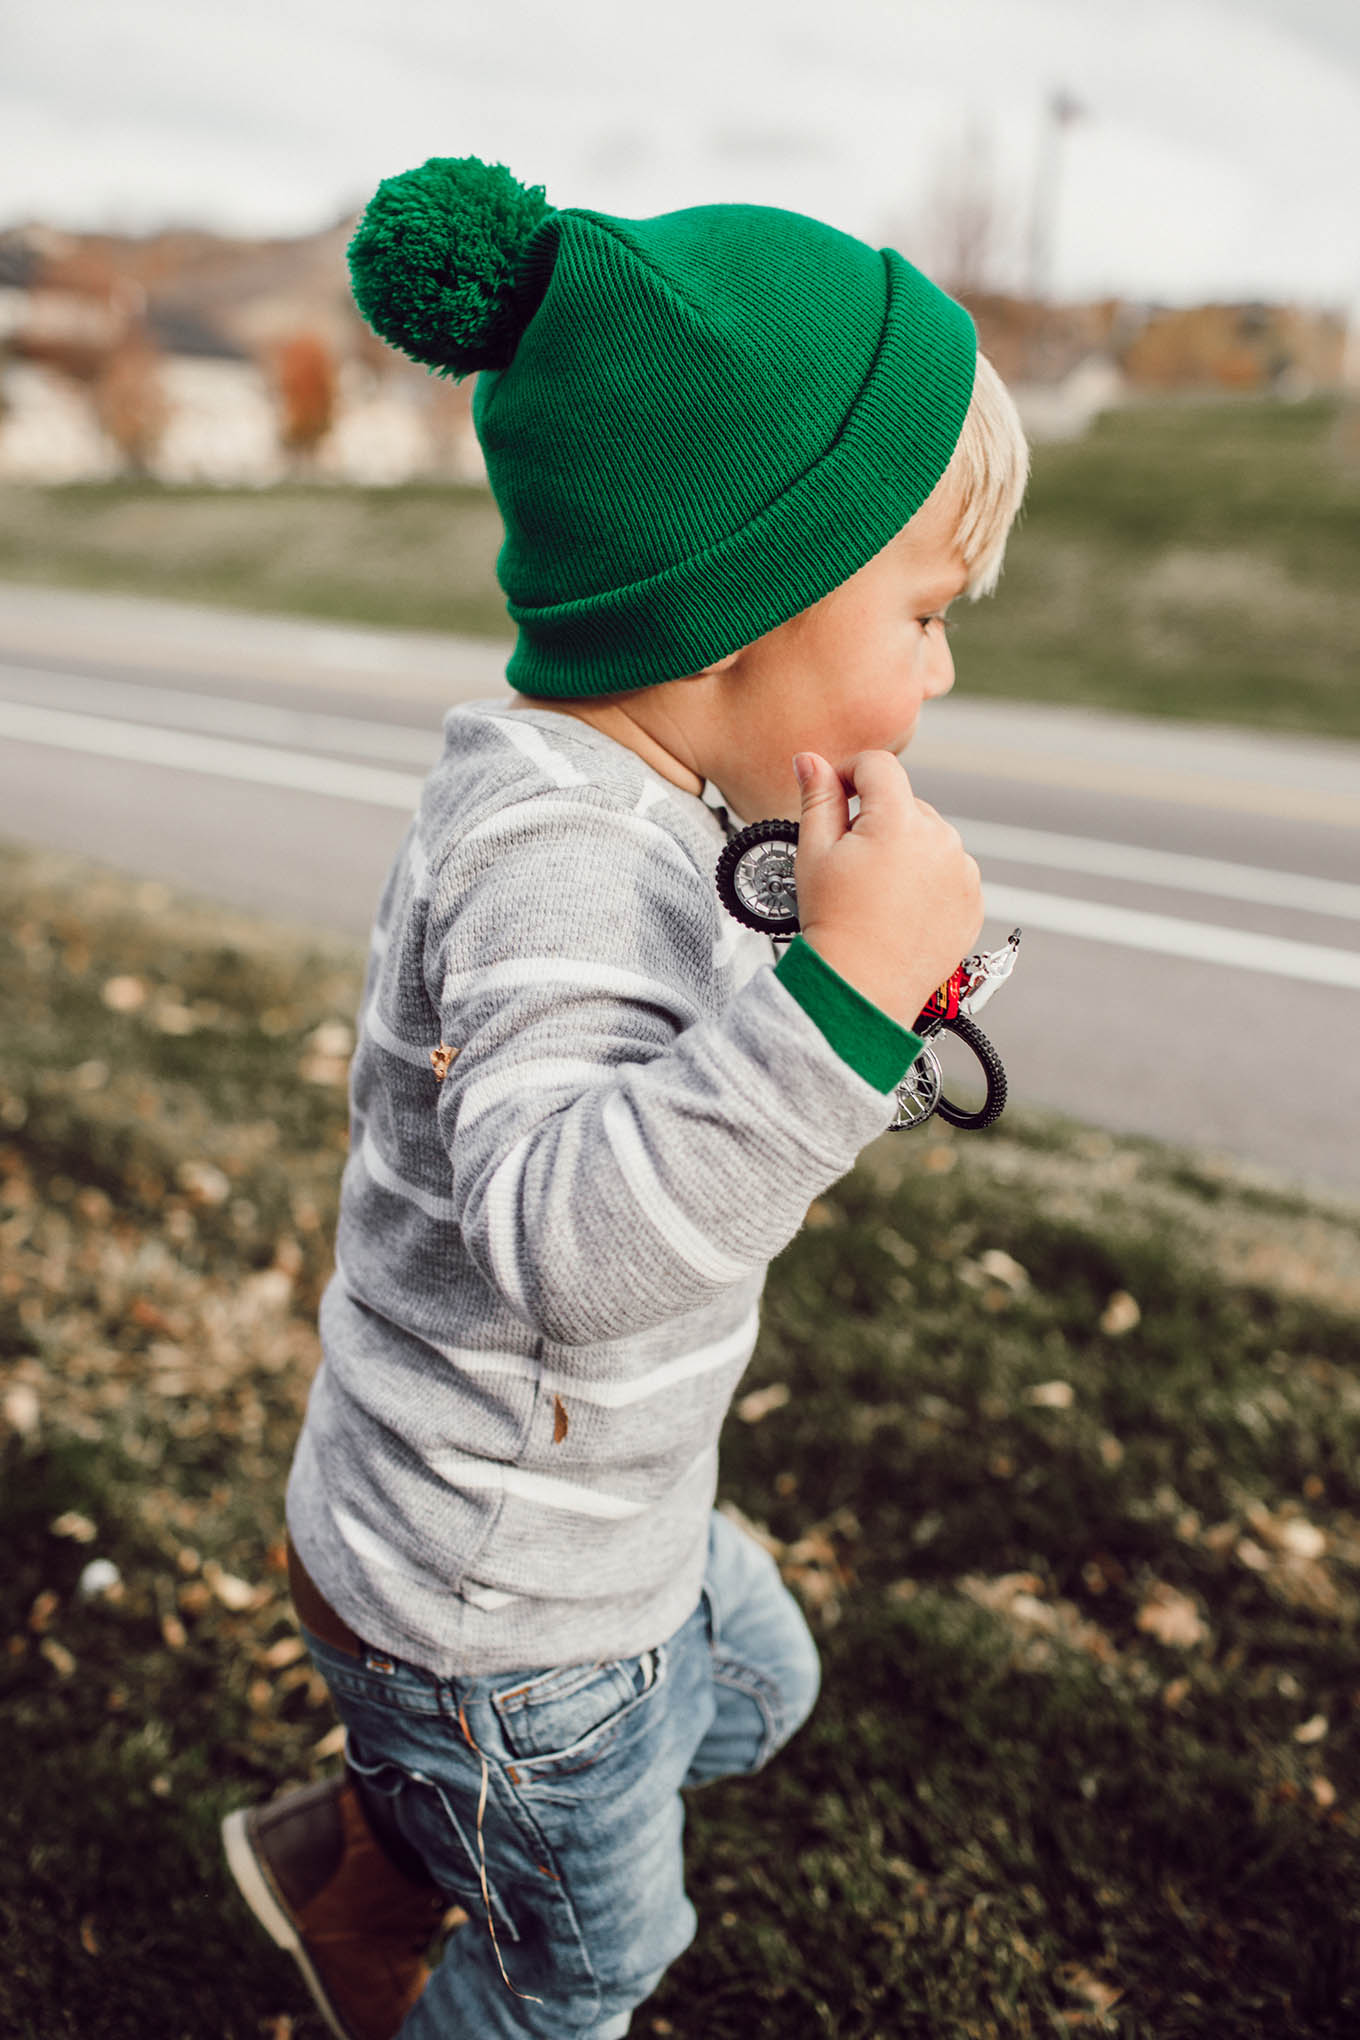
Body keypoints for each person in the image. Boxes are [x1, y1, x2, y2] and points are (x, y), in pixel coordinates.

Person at [221, 153, 1029, 2040]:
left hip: (575, 1526)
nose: (945, 665)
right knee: (587, 1973)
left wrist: (869, 965)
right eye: (919, 614)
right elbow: (569, 1249)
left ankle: (368, 1838)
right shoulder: (555, 858)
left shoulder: (659, 804)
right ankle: (408, 1848)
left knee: (753, 1690)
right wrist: (836, 997)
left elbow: (681, 1073)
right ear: (741, 604)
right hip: (504, 1613)